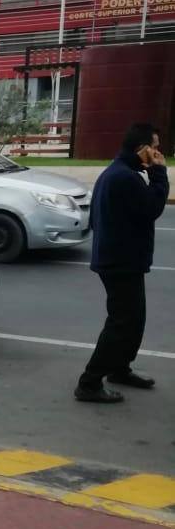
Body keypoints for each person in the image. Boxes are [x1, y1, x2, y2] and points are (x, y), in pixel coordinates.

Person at [74, 123, 169, 403]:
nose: (158, 152)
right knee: (122, 323)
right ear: (142, 149)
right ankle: (89, 383)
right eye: (155, 147)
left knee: (134, 319)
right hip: (120, 262)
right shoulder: (124, 177)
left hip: (121, 258)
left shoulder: (118, 172)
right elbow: (153, 208)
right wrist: (159, 172)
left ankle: (119, 368)